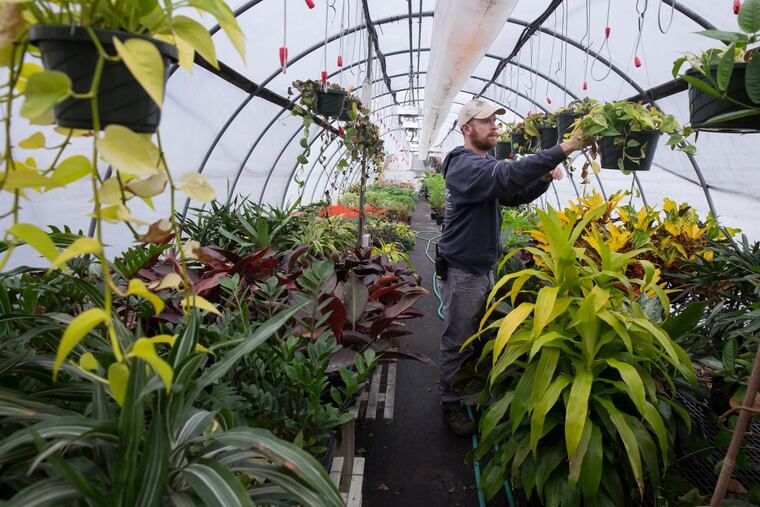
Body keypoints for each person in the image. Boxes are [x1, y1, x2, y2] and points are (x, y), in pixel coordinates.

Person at [435, 98, 589, 436]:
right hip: (464, 271)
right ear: (466, 128)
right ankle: (450, 403)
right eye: (485, 121)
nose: (494, 126)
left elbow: (511, 195)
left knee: (477, 336)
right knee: (458, 339)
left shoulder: (483, 165)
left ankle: (471, 390)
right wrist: (561, 149)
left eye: (495, 120)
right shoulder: (462, 165)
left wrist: (543, 178)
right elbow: (505, 177)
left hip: (481, 268)